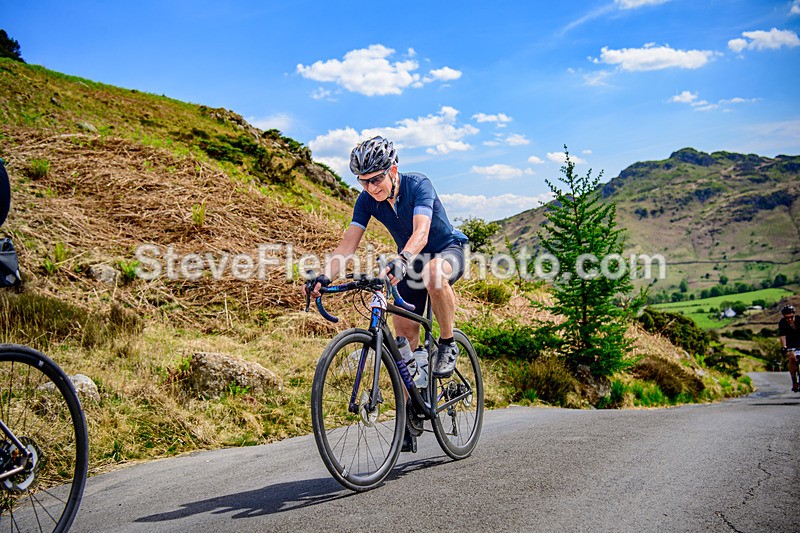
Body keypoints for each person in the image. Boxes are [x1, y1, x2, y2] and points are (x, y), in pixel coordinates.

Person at [304, 136, 468, 451]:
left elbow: (421, 231)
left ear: (393, 169)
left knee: (434, 274)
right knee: (404, 337)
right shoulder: (366, 200)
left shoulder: (418, 185)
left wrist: (404, 259)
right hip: (409, 261)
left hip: (447, 251)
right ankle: (413, 405)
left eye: (376, 179)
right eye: (363, 182)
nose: (371, 187)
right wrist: (325, 275)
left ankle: (447, 343)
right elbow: (347, 245)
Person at [778, 305, 799, 392]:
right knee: (791, 358)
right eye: (787, 318)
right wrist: (784, 347)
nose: (789, 319)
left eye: (791, 317)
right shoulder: (782, 323)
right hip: (791, 343)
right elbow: (782, 336)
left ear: (794, 314)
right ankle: (794, 380)